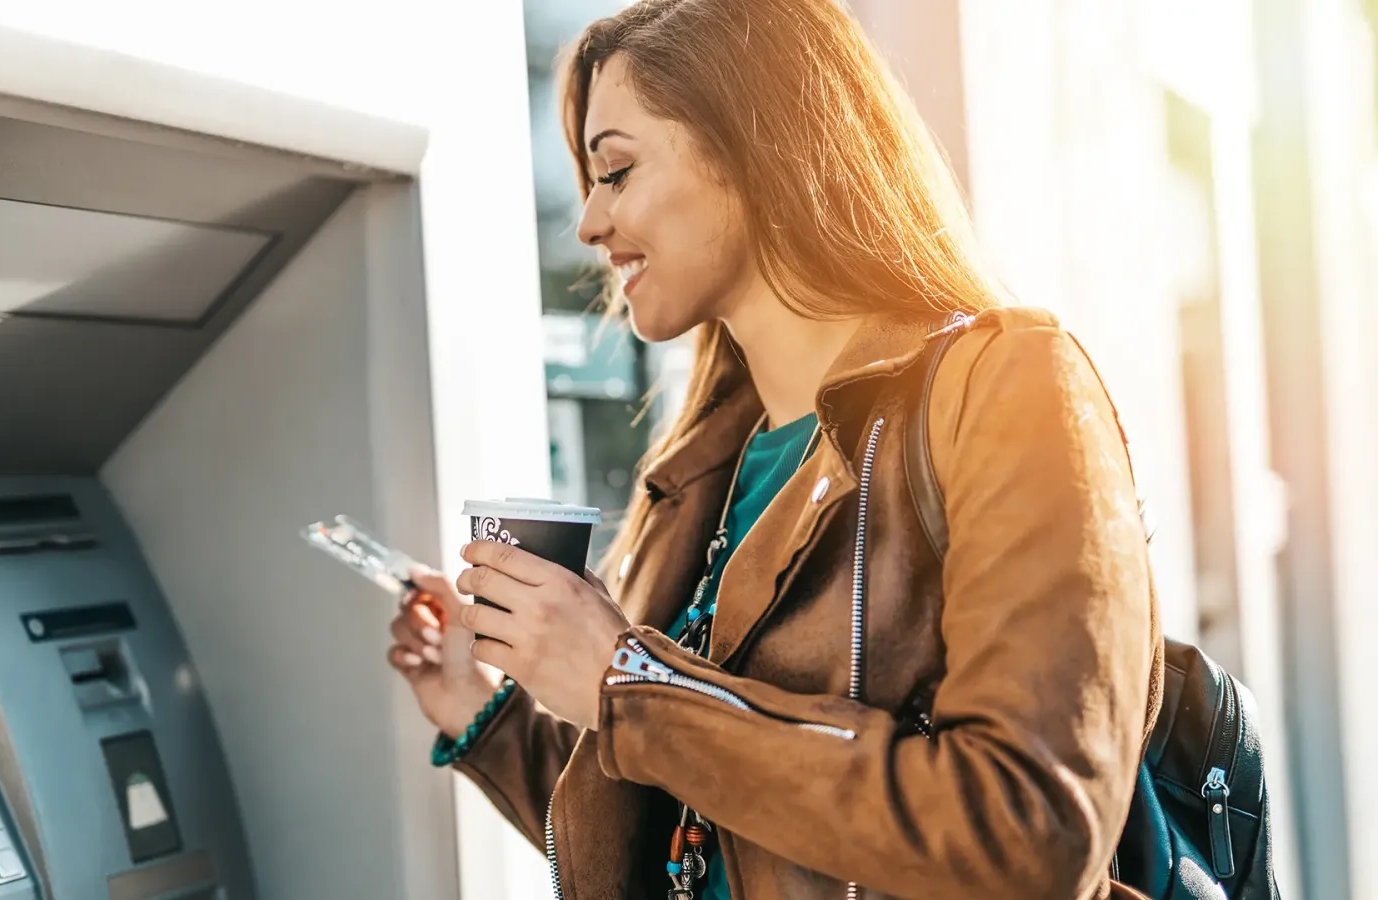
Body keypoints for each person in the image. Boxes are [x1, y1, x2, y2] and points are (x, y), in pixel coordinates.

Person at [387, 1, 1162, 897]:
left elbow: (1030, 833)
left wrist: (628, 682)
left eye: (617, 170)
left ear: (754, 147)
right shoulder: (704, 472)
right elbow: (686, 844)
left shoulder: (1010, 387)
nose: (589, 223)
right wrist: (484, 713)